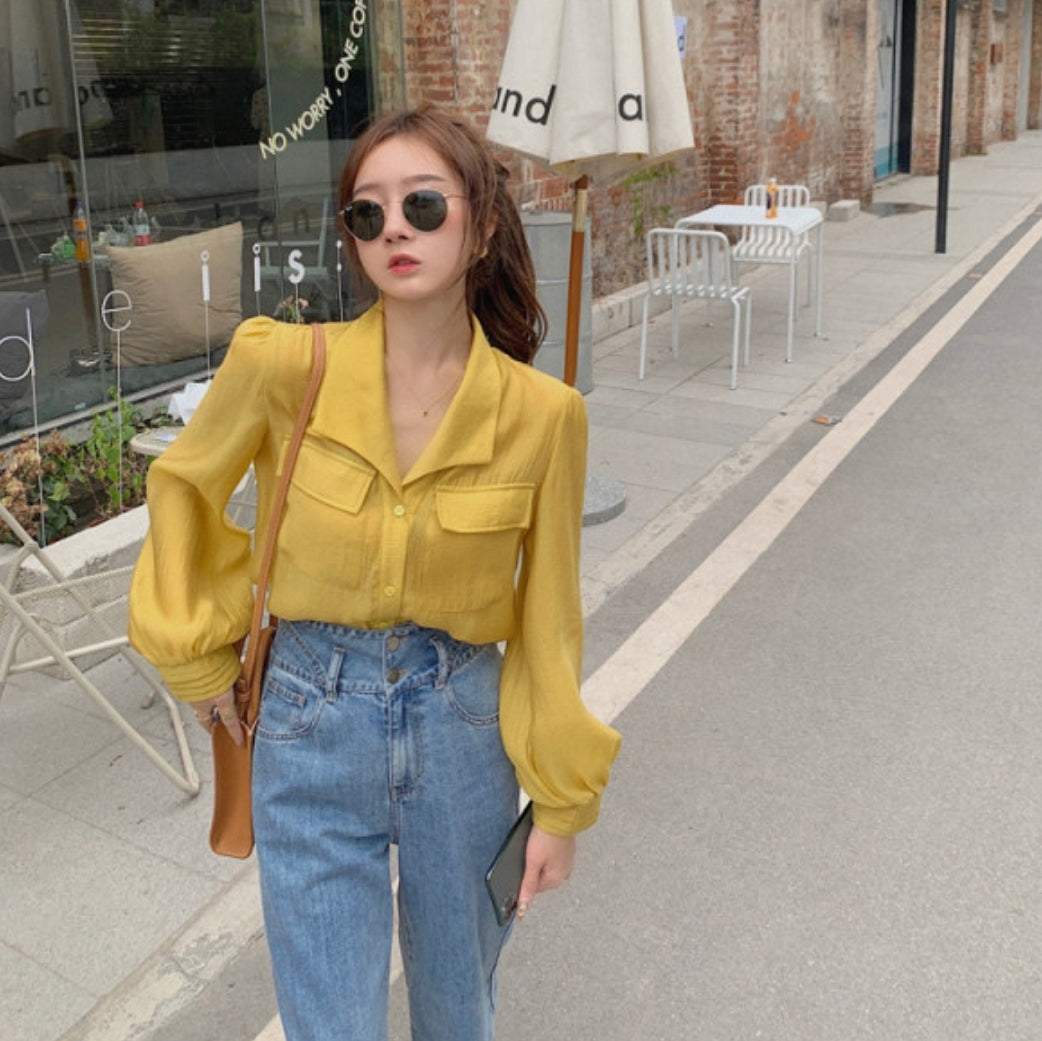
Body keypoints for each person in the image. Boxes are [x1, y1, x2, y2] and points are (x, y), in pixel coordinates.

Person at [128, 105, 621, 1041]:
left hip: (463, 728)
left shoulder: (544, 416)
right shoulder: (282, 365)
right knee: (330, 1027)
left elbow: (549, 621)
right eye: (368, 212)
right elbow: (182, 486)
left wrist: (561, 803)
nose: (395, 228)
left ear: (481, 226)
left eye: (423, 205)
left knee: (457, 1012)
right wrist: (196, 656)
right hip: (309, 718)